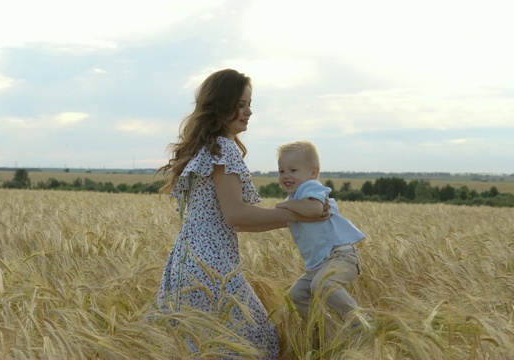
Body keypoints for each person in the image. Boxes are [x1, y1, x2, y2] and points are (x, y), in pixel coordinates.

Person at [155, 69, 329, 359]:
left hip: (185, 262)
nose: (248, 111)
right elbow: (236, 216)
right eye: (241, 104)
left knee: (201, 347)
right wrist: (298, 214)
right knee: (257, 342)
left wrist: (292, 214)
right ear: (220, 104)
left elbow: (234, 220)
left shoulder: (204, 148)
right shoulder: (223, 148)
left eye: (250, 103)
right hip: (211, 268)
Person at [275, 140, 367, 328]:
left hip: (340, 256)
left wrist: (287, 205)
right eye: (281, 171)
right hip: (318, 264)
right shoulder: (293, 197)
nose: (286, 176)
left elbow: (315, 209)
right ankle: (331, 333)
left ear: (313, 173)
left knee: (322, 285)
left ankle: (362, 325)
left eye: (293, 170)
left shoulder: (310, 188)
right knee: (297, 295)